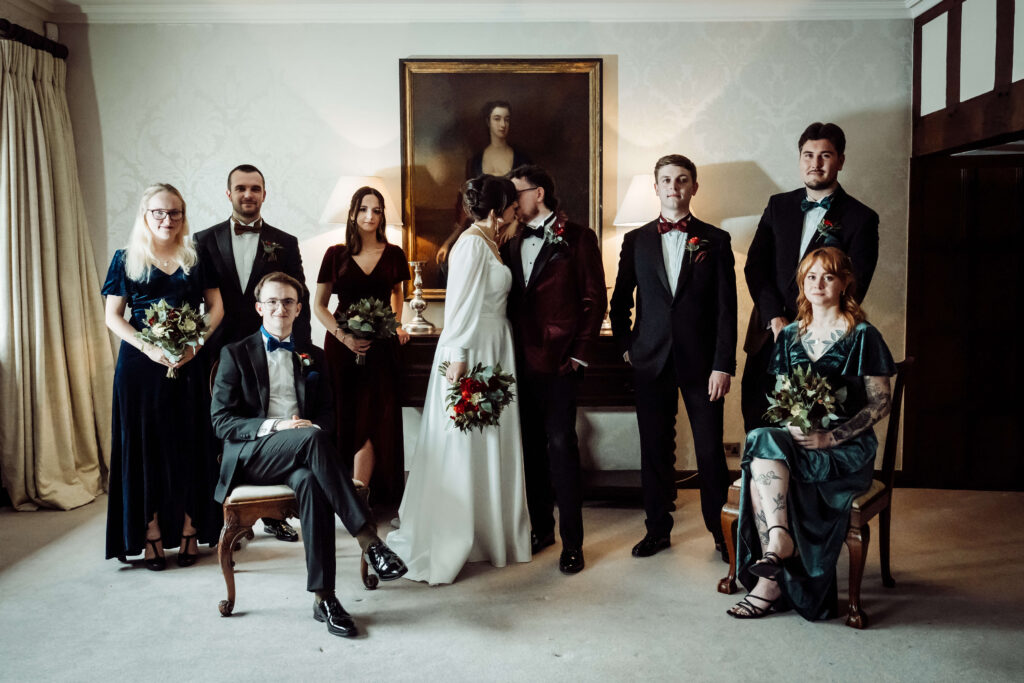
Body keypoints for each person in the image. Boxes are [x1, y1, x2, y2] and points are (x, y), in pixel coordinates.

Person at [211, 272, 408, 638]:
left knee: (311, 481)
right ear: (259, 308)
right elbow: (222, 421)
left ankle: (324, 598)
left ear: (299, 309)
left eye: (288, 302)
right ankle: (369, 540)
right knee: (312, 440)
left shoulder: (313, 357)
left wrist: (308, 427)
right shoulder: (234, 354)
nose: (280, 308)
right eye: (272, 301)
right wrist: (278, 427)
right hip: (254, 455)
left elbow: (328, 417)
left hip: (302, 457)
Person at [728, 247, 895, 620]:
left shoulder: (863, 335)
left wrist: (830, 438)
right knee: (761, 438)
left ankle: (768, 582)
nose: (818, 284)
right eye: (811, 277)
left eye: (828, 277)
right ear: (802, 284)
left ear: (844, 283)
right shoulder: (789, 335)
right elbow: (784, 396)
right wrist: (792, 421)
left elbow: (880, 403)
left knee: (761, 466)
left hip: (844, 449)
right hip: (800, 440)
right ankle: (779, 541)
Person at [387, 175, 531, 584]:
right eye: (511, 204)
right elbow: (460, 306)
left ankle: (490, 533)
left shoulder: (490, 242)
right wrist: (460, 358)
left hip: (495, 344)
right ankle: (459, 533)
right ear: (496, 209)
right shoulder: (470, 244)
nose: (516, 209)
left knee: (490, 438)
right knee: (468, 437)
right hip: (474, 349)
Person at [609, 154, 738, 562]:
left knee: (710, 452)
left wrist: (723, 364)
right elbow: (620, 301)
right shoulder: (636, 241)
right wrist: (627, 345)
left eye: (682, 180)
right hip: (650, 361)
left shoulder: (716, 241)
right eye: (666, 180)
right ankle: (656, 530)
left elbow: (726, 310)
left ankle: (721, 534)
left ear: (694, 187)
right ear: (656, 187)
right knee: (654, 450)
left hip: (702, 364)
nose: (674, 187)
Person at [102, 183, 224, 570]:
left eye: (174, 212)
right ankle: (150, 531)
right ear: (145, 215)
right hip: (140, 368)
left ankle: (190, 527)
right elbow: (113, 317)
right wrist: (149, 348)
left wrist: (194, 347)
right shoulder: (126, 258)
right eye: (159, 212)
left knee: (190, 443)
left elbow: (216, 308)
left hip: (189, 362)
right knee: (145, 448)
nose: (167, 219)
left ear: (183, 216)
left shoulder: (196, 256)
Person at [500, 165, 606, 574]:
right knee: (529, 448)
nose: (512, 203)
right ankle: (541, 529)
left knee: (562, 447)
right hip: (517, 360)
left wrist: (579, 354)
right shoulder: (509, 240)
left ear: (538, 193)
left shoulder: (578, 237)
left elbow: (594, 299)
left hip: (561, 361)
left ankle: (573, 543)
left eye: (516, 194)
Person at [195, 163, 309, 543]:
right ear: (229, 194)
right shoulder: (204, 240)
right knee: (223, 429)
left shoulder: (285, 241)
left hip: (271, 345)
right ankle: (229, 517)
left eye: (255, 188)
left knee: (274, 419)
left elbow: (299, 297)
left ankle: (274, 514)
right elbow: (198, 299)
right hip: (219, 350)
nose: (248, 194)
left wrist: (302, 350)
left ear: (264, 194)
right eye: (241, 188)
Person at [742, 122, 879, 432]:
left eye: (824, 155)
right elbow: (756, 267)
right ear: (800, 159)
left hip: (821, 342)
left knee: (809, 428)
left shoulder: (861, 218)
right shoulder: (778, 206)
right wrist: (775, 318)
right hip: (768, 337)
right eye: (808, 155)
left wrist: (808, 327)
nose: (815, 163)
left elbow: (855, 284)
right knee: (758, 423)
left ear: (840, 160)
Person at [313, 186, 411, 507]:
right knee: (347, 416)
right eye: (364, 209)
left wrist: (397, 323)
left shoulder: (394, 253)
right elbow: (319, 306)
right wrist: (345, 338)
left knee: (378, 417)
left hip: (381, 349)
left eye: (377, 210)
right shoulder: (335, 254)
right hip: (341, 350)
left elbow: (397, 293)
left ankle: (367, 494)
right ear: (353, 214)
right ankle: (347, 495)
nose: (371, 216)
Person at [465, 100, 532, 179]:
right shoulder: (475, 162)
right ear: (488, 122)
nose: (503, 125)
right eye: (497, 119)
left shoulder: (522, 159)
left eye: (506, 120)